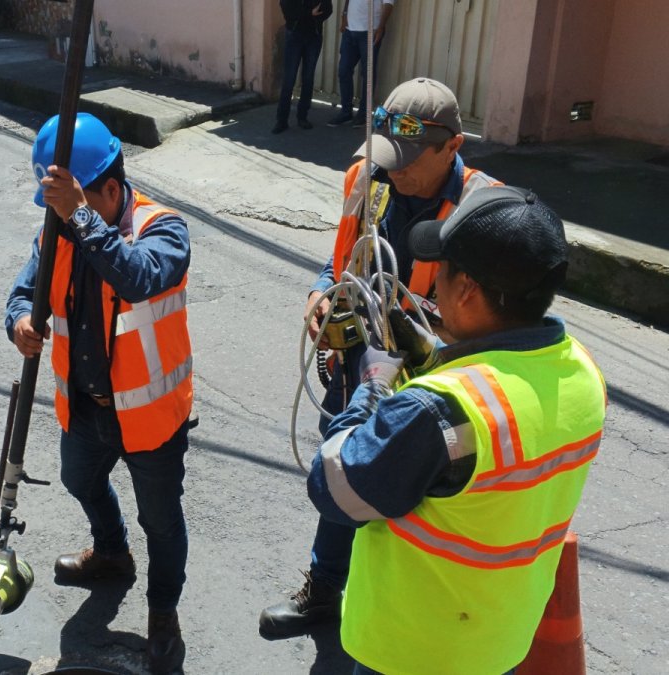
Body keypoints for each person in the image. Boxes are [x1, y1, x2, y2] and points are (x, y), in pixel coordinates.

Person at [307, 185, 607, 674]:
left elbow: (335, 489)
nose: (433, 285)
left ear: (466, 287)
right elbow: (487, 437)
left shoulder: (439, 410)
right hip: (500, 640)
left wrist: (374, 385)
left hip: (412, 649)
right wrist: (440, 359)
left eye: (440, 270)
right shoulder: (583, 372)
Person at [259, 77, 500, 640]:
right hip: (356, 371)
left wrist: (414, 326)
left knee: (413, 503)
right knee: (345, 475)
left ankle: (404, 616)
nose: (393, 170)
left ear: (454, 145)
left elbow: (489, 325)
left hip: (428, 392)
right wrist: (322, 295)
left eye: (409, 159)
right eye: (387, 154)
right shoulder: (368, 177)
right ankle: (325, 589)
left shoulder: (482, 212)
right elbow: (343, 259)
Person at [5, 113, 193, 675]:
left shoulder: (164, 229)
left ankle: (163, 612)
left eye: (73, 203)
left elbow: (136, 277)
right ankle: (111, 551)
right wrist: (19, 322)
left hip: (152, 416)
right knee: (78, 479)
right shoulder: (58, 229)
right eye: (56, 207)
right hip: (86, 406)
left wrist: (78, 216)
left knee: (160, 521)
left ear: (111, 189)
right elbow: (23, 290)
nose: (59, 220)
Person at [328, 0, 395, 126]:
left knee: (368, 74)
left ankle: (363, 114)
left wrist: (380, 27)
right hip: (350, 30)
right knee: (344, 71)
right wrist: (344, 15)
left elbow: (388, 4)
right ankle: (346, 112)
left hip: (371, 31)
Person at [273, 0, 334, 134]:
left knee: (308, 78)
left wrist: (316, 15)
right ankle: (282, 120)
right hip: (294, 35)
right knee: (289, 79)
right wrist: (309, 13)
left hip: (314, 36)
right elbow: (286, 8)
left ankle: (302, 117)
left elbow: (328, 9)